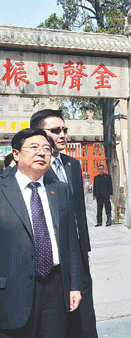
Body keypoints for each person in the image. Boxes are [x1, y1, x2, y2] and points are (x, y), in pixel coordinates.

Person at [0, 128, 81, 338]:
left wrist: (74, 286)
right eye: (34, 147)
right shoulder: (3, 189)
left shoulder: (60, 189)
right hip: (13, 290)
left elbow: (71, 241)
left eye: (46, 148)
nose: (42, 153)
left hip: (55, 286)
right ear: (16, 154)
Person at [30, 109, 97, 338]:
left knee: (85, 314)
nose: (62, 135)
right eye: (55, 130)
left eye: (64, 129)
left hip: (75, 252)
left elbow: (79, 211)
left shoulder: (72, 165)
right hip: (49, 257)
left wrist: (84, 248)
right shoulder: (34, 168)